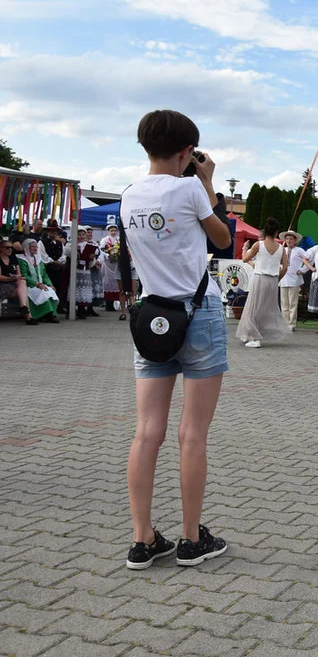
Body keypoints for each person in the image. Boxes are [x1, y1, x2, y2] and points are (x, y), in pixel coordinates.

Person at [121, 109, 232, 569]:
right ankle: (191, 538)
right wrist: (207, 182)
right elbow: (223, 239)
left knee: (147, 432)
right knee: (193, 433)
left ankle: (142, 538)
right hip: (198, 311)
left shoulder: (129, 196)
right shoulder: (190, 188)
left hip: (151, 317)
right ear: (188, 152)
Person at [235, 217, 290, 348]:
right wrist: (277, 279)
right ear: (276, 233)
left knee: (253, 307)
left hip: (260, 278)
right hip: (272, 280)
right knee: (265, 309)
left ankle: (255, 337)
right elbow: (285, 267)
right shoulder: (282, 248)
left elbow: (244, 259)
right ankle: (251, 334)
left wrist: (244, 248)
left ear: (265, 232)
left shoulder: (258, 245)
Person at [16, 238, 60, 323]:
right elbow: (24, 275)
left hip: (40, 283)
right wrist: (37, 284)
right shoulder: (21, 259)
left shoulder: (38, 259)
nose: (35, 248)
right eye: (33, 247)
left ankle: (52, 314)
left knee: (50, 291)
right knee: (41, 292)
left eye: (36, 247)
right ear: (26, 247)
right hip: (29, 284)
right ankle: (45, 314)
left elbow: (44, 274)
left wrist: (49, 284)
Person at [0, 237, 36, 324]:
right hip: (2, 285)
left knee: (22, 282)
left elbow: (19, 273)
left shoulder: (13, 258)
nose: (10, 250)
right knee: (23, 290)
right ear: (1, 248)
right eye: (7, 248)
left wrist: (17, 277)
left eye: (11, 248)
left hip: (13, 284)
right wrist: (13, 278)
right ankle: (28, 316)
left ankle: (23, 307)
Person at [278, 230, 308, 331]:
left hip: (294, 279)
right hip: (283, 279)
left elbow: (308, 259)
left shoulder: (299, 250)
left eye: (291, 239)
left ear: (295, 240)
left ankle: (292, 323)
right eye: (287, 239)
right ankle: (285, 323)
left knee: (292, 303)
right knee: (284, 303)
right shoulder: (282, 250)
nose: (289, 240)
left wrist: (302, 270)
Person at [41, 219, 69, 314]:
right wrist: (52, 261)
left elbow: (64, 254)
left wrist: (59, 261)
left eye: (55, 231)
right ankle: (48, 308)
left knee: (59, 287)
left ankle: (58, 306)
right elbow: (42, 255)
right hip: (48, 269)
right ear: (47, 231)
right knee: (49, 287)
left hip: (59, 269)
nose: (54, 233)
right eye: (52, 231)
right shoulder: (42, 242)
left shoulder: (60, 243)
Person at [99, 224, 126, 318]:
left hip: (116, 264)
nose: (113, 232)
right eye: (112, 231)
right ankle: (108, 303)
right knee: (107, 283)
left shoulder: (118, 239)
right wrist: (107, 255)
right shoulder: (105, 239)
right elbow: (101, 250)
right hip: (107, 264)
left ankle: (114, 302)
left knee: (116, 283)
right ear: (108, 231)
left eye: (115, 230)